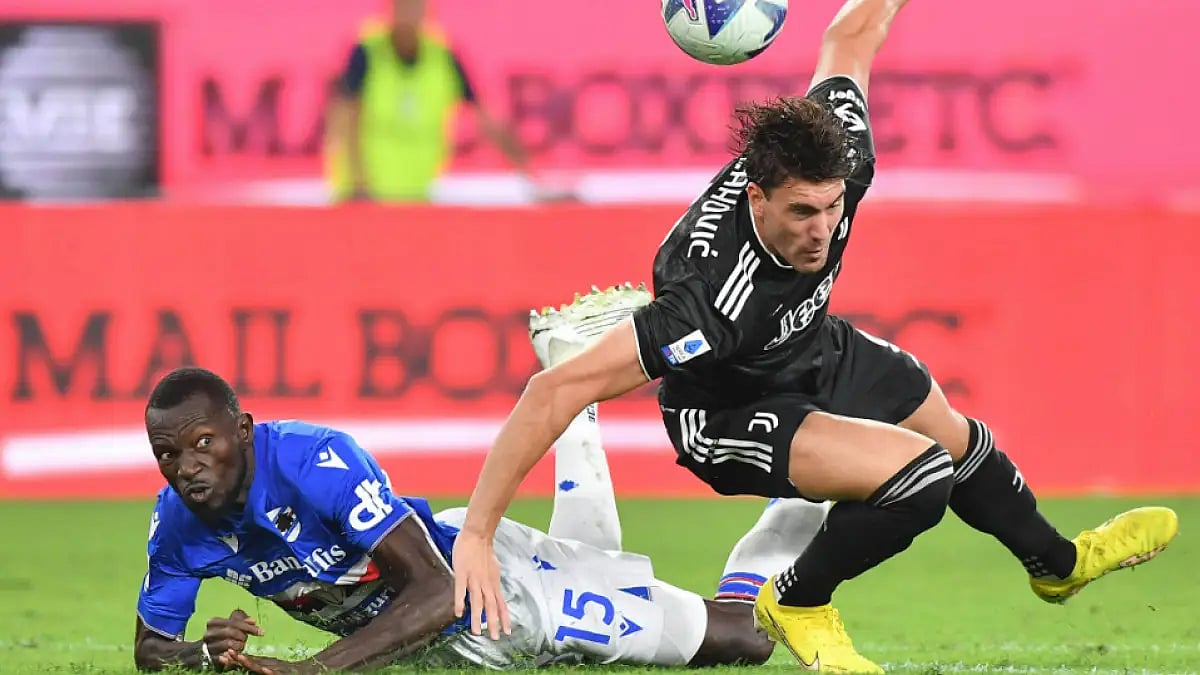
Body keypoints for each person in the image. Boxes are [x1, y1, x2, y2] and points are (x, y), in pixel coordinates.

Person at [449, 0, 1180, 671]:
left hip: (808, 346)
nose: (823, 231)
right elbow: (555, 391)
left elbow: (850, 33)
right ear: (756, 196)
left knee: (954, 433)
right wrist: (478, 534)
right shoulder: (708, 299)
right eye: (801, 212)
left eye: (832, 208)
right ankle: (798, 599)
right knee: (920, 477)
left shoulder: (840, 153)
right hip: (726, 410)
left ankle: (1058, 566)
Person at [131, 303, 785, 674]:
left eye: (203, 443)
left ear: (243, 431)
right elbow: (151, 648)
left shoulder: (314, 462)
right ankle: (573, 383)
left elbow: (442, 590)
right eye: (168, 454)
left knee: (745, 640)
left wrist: (316, 669)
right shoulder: (178, 527)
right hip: (422, 644)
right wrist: (203, 657)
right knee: (595, 566)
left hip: (502, 594)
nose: (187, 466)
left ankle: (792, 512)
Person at [323, 0, 533, 203]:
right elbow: (343, 119)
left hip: (415, 194)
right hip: (364, 196)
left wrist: (528, 173)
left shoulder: (442, 56)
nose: (409, 13)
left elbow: (486, 119)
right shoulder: (367, 52)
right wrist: (359, 184)